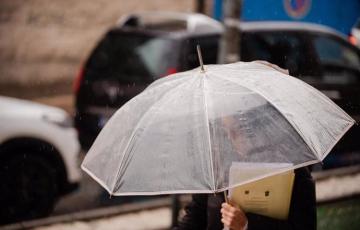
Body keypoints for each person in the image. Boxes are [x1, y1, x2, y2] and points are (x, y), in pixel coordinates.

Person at [174, 62, 317, 229]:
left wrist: (247, 225)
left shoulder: (294, 172)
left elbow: (304, 226)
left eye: (236, 130)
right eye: (226, 130)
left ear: (256, 127)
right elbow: (195, 217)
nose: (230, 137)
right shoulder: (218, 168)